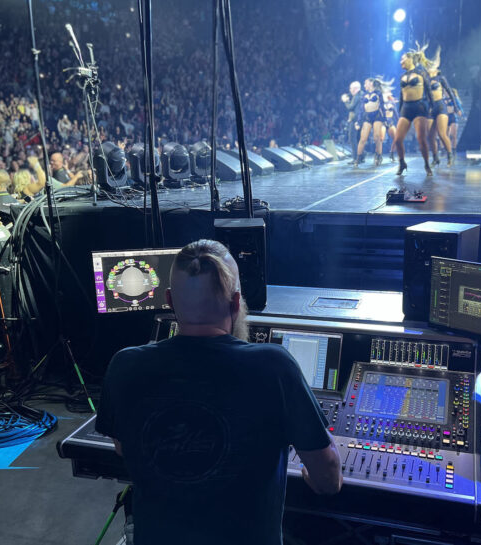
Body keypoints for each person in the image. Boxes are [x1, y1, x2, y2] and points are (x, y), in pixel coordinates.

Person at [95, 240, 342, 544]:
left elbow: (123, 448)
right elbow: (329, 477)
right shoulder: (274, 366)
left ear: (170, 301)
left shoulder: (125, 365)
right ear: (236, 302)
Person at [394, 45, 434, 176]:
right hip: (406, 108)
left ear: (410, 59)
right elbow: (401, 95)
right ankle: (402, 163)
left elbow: (428, 91)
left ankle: (427, 164)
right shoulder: (402, 76)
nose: (401, 62)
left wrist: (431, 108)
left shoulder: (421, 72)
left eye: (403, 59)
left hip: (419, 107)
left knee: (421, 139)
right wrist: (400, 111)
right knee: (397, 139)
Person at [423, 48, 458, 167]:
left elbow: (450, 92)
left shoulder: (440, 78)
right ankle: (435, 158)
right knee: (430, 136)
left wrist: (456, 107)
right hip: (430, 108)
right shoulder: (425, 80)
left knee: (442, 134)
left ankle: (449, 156)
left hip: (441, 106)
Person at [355, 77, 391, 167]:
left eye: (365, 83)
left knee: (377, 137)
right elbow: (361, 109)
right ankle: (358, 158)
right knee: (363, 138)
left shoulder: (378, 93)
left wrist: (385, 120)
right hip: (367, 117)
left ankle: (378, 156)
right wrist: (358, 122)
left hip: (377, 117)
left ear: (371, 83)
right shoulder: (364, 95)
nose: (364, 85)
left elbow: (382, 107)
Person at [341, 81, 364, 165]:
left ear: (355, 89)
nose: (350, 90)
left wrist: (346, 101)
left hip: (355, 120)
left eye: (351, 88)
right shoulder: (361, 94)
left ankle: (355, 158)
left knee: (352, 139)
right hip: (360, 120)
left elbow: (350, 107)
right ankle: (361, 157)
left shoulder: (357, 96)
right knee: (359, 139)